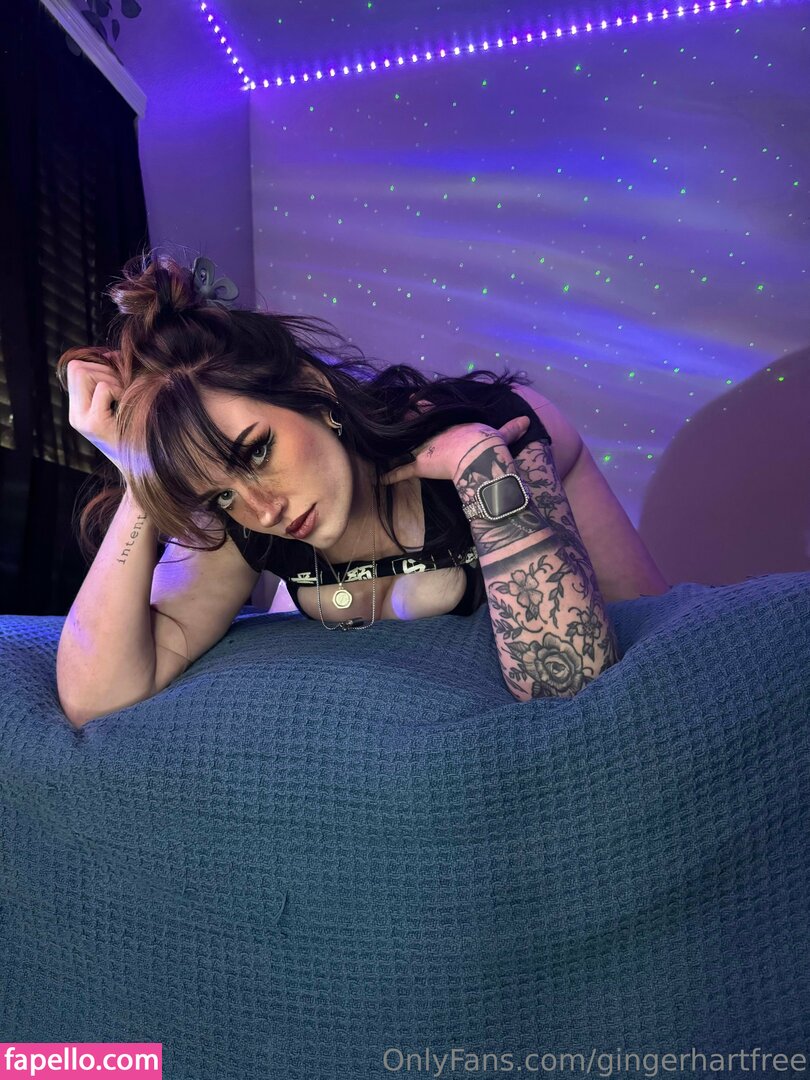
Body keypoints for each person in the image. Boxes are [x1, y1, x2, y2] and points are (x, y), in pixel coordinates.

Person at [55, 251, 664, 727]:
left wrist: (479, 462)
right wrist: (141, 475)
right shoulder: (242, 518)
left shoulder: (490, 426)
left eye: (258, 451)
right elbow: (95, 698)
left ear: (313, 391)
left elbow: (569, 683)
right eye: (221, 496)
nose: (263, 509)